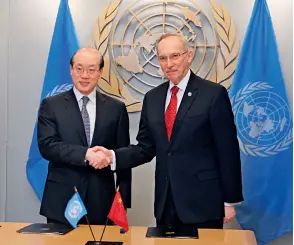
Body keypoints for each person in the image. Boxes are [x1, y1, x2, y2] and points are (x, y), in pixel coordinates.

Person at [95, 33, 243, 229]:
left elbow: (228, 151)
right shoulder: (152, 98)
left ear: (188, 56)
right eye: (163, 58)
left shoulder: (213, 95)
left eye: (175, 56)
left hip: (204, 204)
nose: (169, 64)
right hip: (166, 204)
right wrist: (112, 156)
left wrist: (229, 201)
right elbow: (145, 148)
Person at [37, 48, 132, 225]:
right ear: (71, 70)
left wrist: (123, 200)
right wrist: (86, 154)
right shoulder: (51, 105)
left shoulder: (116, 108)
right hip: (62, 199)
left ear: (100, 72)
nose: (85, 75)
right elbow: (47, 146)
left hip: (102, 201)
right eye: (79, 69)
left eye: (91, 69)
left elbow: (123, 156)